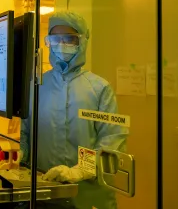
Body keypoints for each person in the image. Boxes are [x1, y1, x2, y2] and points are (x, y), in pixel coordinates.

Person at [20, 11, 128, 209]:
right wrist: (19, 152)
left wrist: (79, 171)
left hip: (87, 195)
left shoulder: (99, 88)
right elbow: (25, 131)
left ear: (83, 41)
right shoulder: (37, 85)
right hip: (44, 189)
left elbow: (112, 142)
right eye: (55, 39)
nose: (61, 44)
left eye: (69, 38)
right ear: (48, 42)